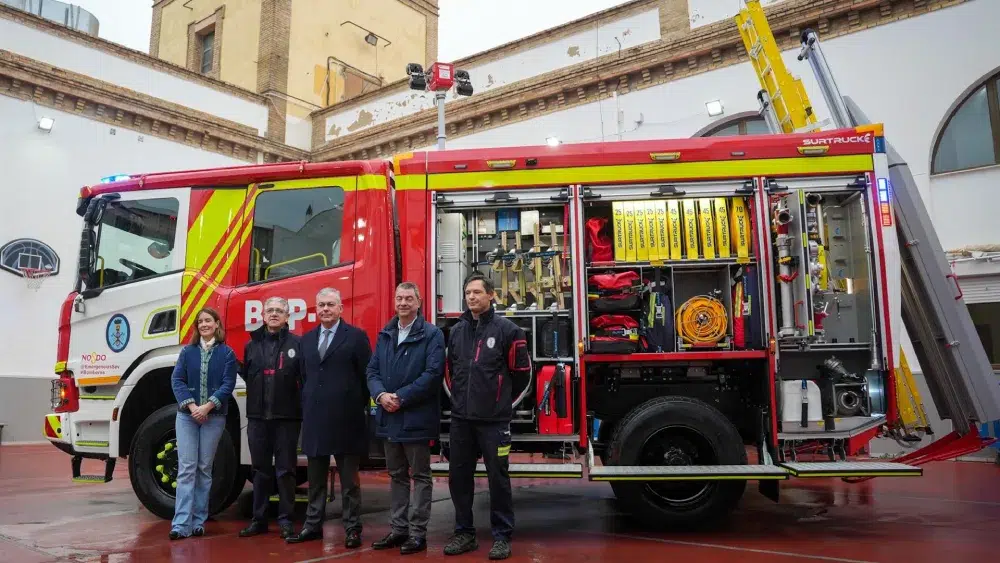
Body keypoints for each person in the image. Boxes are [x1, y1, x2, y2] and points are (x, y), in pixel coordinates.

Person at [444, 274, 531, 561]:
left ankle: (502, 536)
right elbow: (449, 372)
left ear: (491, 295)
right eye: (468, 292)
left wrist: (502, 406)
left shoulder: (509, 331)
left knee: (498, 479)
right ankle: (464, 533)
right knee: (458, 478)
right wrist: (457, 403)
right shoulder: (456, 332)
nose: (471, 297)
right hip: (461, 421)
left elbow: (522, 375)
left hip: (494, 423)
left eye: (477, 292)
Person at [286, 288, 372, 548]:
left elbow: (366, 375)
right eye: (321, 305)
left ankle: (352, 529)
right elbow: (303, 375)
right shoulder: (307, 340)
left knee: (349, 483)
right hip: (315, 419)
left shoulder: (356, 337)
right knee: (315, 480)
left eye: (330, 304)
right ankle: (312, 526)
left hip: (347, 418)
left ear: (340, 308)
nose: (325, 309)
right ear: (316, 308)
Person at [367, 282, 445, 555]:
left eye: (408, 299)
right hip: (389, 417)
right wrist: (380, 396)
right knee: (397, 475)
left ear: (419, 302)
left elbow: (432, 375)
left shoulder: (432, 335)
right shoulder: (386, 334)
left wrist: (400, 397)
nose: (403, 303)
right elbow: (372, 370)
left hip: (416, 418)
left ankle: (418, 533)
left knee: (421, 476)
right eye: (399, 298)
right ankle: (398, 530)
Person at [168, 307, 237, 540]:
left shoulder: (227, 353)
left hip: (214, 417)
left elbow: (228, 384)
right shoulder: (187, 352)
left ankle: (198, 522)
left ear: (217, 324)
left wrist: (208, 406)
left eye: (208, 320)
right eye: (200, 322)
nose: (204, 325)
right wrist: (192, 407)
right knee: (187, 468)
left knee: (204, 469)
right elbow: (177, 379)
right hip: (187, 417)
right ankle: (180, 524)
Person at [238, 297, 304, 540]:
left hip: (287, 418)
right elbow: (248, 376)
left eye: (279, 311)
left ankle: (286, 520)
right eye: (270, 310)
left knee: (286, 471)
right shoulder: (251, 345)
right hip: (257, 419)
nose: (274, 314)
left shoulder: (298, 344)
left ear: (287, 317)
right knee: (260, 471)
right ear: (263, 316)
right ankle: (259, 520)